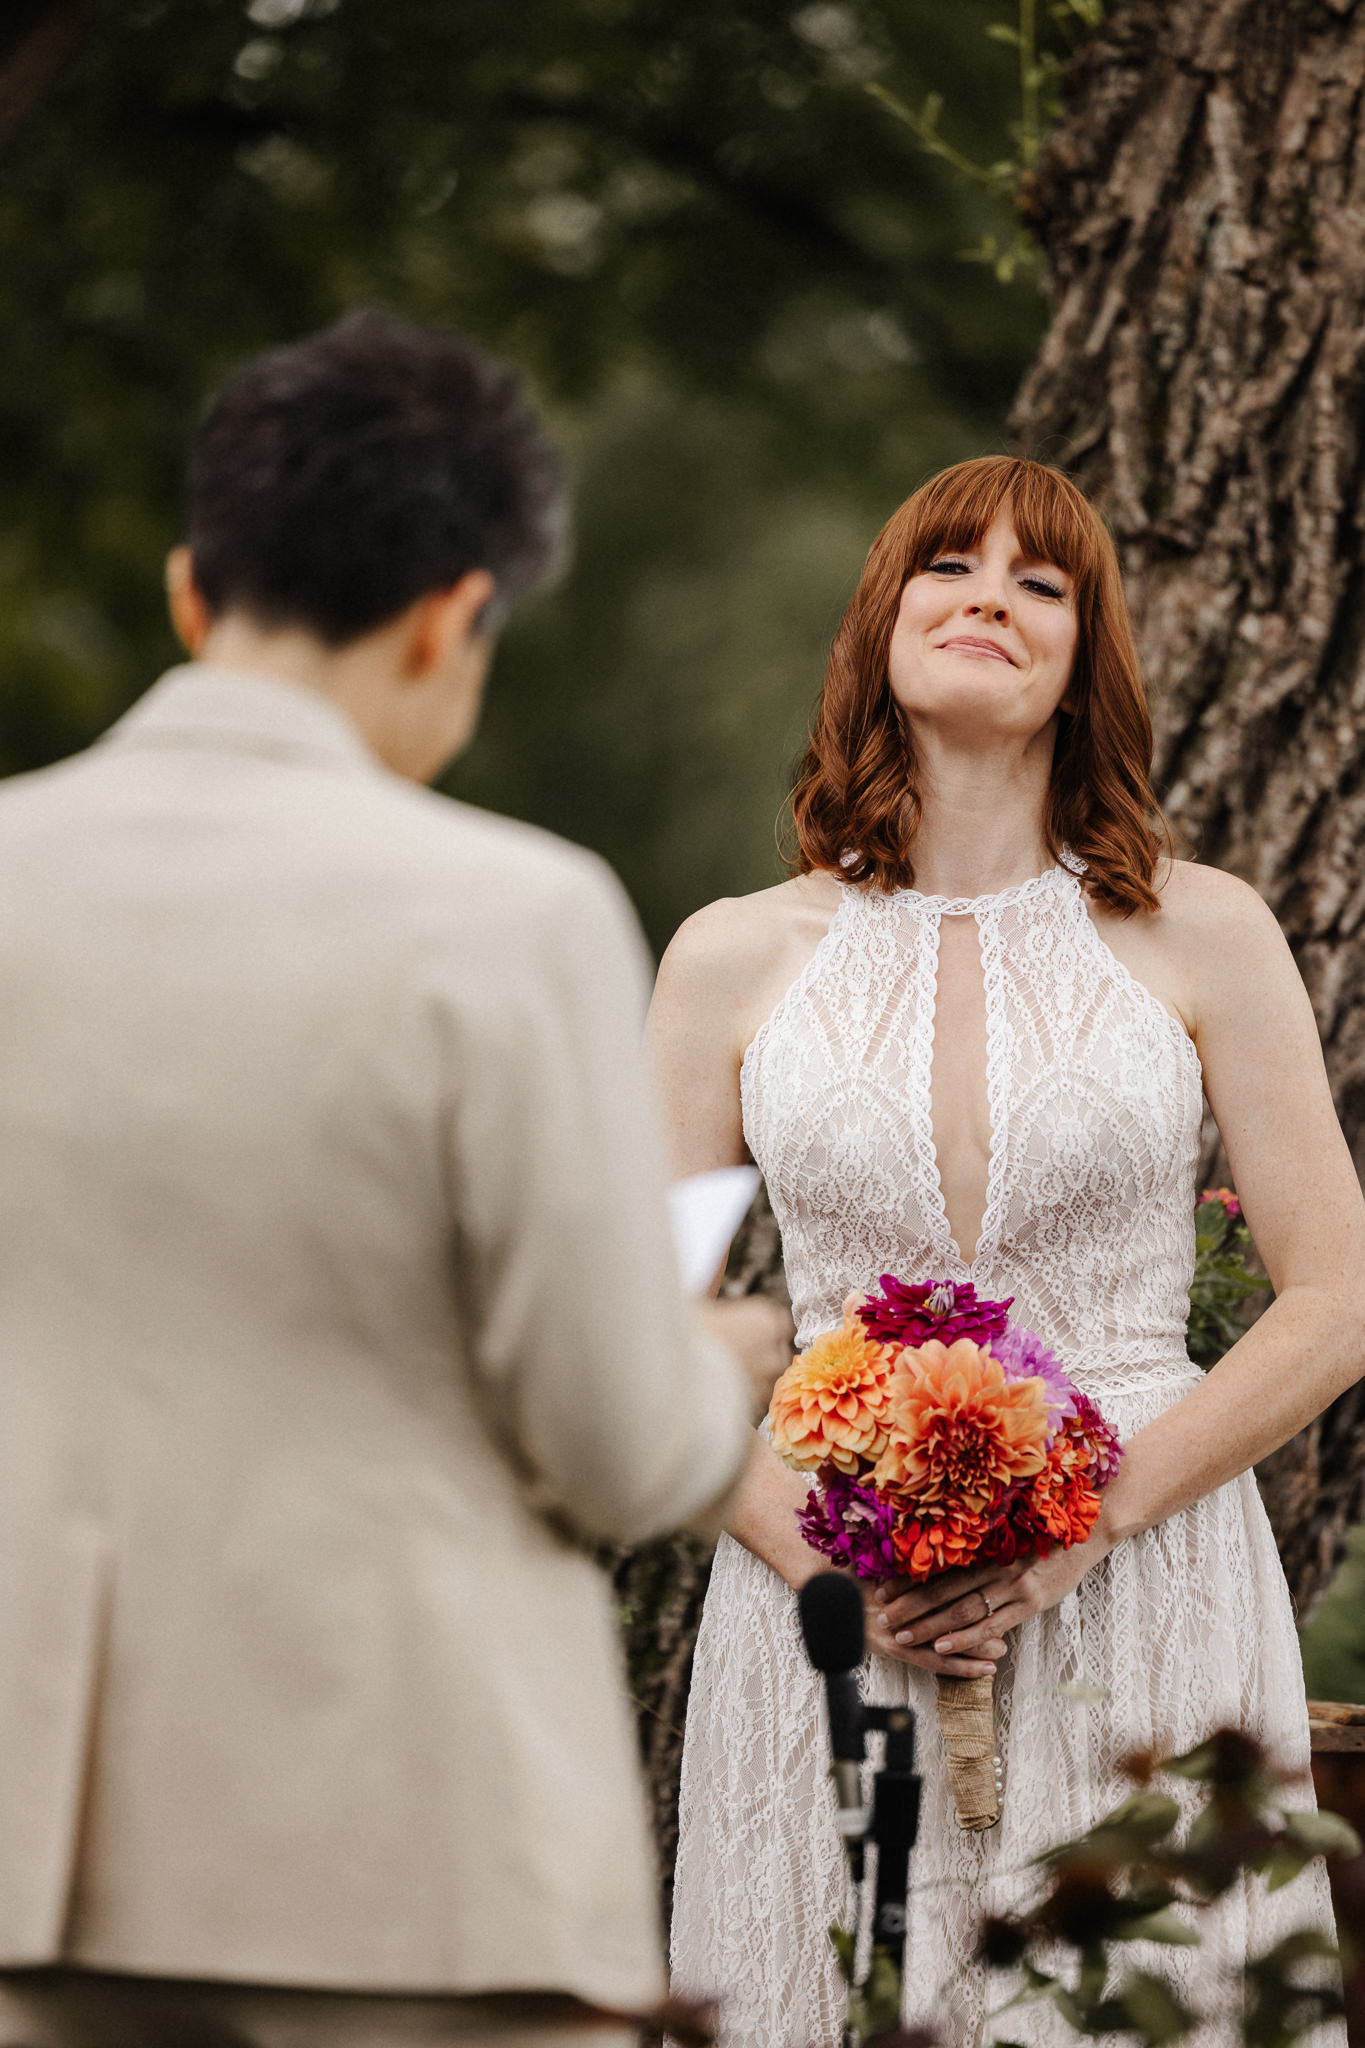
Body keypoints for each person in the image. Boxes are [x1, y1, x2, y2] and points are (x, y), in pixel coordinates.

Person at [0, 309, 786, 2048]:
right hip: (405, 1849)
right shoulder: (510, 912)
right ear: (455, 615)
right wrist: (715, 1372)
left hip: (29, 1832)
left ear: (192, 590)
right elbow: (609, 1439)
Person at [652, 456, 1365, 2046]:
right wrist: (827, 1569)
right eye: (947, 567)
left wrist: (1085, 1527)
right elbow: (631, 1323)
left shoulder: (1206, 933)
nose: (987, 595)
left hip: (1144, 1573)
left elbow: (1335, 1299)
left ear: (1079, 662)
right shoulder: (725, 959)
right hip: (821, 1603)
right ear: (880, 629)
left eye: (1037, 582)